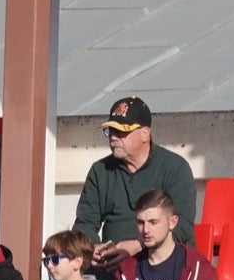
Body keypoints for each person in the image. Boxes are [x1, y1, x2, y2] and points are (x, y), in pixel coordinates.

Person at [76, 97, 199, 260]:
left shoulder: (175, 168)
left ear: (145, 134)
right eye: (110, 131)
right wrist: (94, 248)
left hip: (164, 263)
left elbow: (182, 226)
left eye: (122, 132)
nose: (113, 137)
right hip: (112, 264)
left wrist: (139, 245)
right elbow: (84, 224)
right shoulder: (101, 170)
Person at [106, 190, 218, 280]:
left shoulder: (197, 267)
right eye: (140, 222)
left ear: (172, 222)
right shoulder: (128, 267)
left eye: (153, 222)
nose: (146, 230)